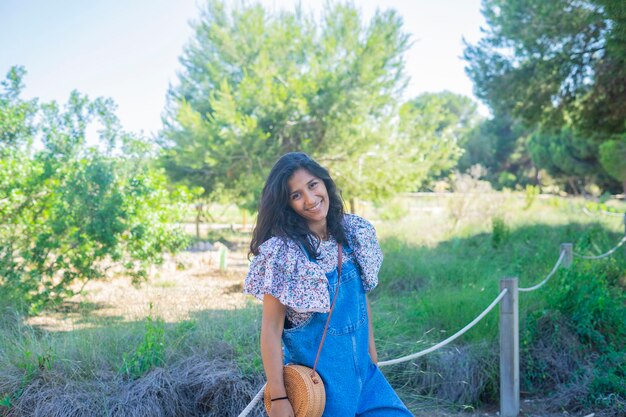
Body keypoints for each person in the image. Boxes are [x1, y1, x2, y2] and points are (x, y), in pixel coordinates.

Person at [244, 152, 413, 417]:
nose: (310, 199)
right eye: (296, 195)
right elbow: (270, 330)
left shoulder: (352, 234)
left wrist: (371, 355)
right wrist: (278, 398)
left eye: (312, 185)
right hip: (320, 391)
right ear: (286, 204)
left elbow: (361, 299)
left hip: (365, 378)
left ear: (324, 183)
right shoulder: (285, 254)